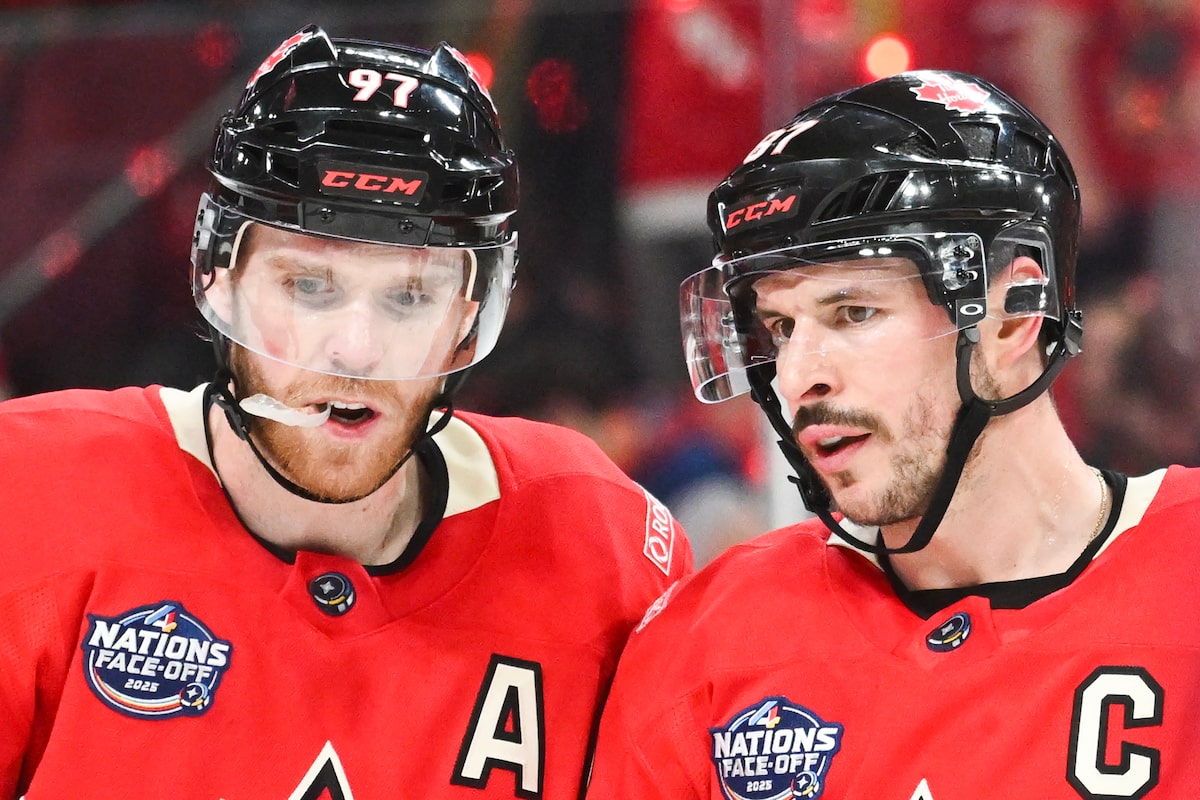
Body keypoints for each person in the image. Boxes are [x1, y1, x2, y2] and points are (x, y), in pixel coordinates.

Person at [0, 25, 691, 799]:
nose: (356, 350)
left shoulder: (602, 547)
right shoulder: (28, 496)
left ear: (469, 315)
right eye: (309, 286)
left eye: (407, 295)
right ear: (219, 278)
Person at [586, 69, 1200, 798]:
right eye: (779, 327)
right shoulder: (707, 645)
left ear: (1012, 317)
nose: (797, 376)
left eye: (854, 313)